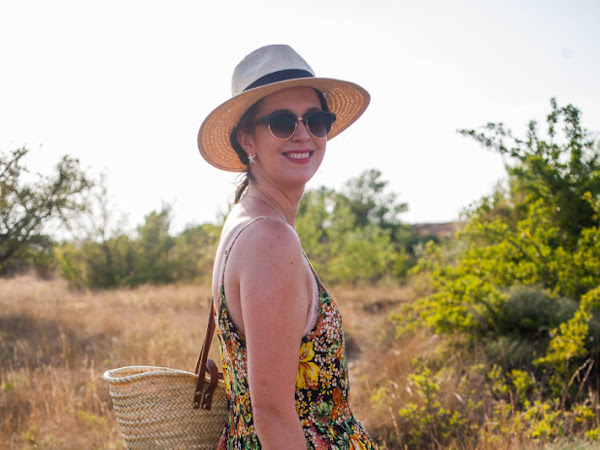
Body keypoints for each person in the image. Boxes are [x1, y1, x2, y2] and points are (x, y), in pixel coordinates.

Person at [198, 44, 378, 449]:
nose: (303, 134)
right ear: (248, 140)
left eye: (317, 120)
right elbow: (274, 416)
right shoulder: (270, 238)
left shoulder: (246, 219)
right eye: (282, 122)